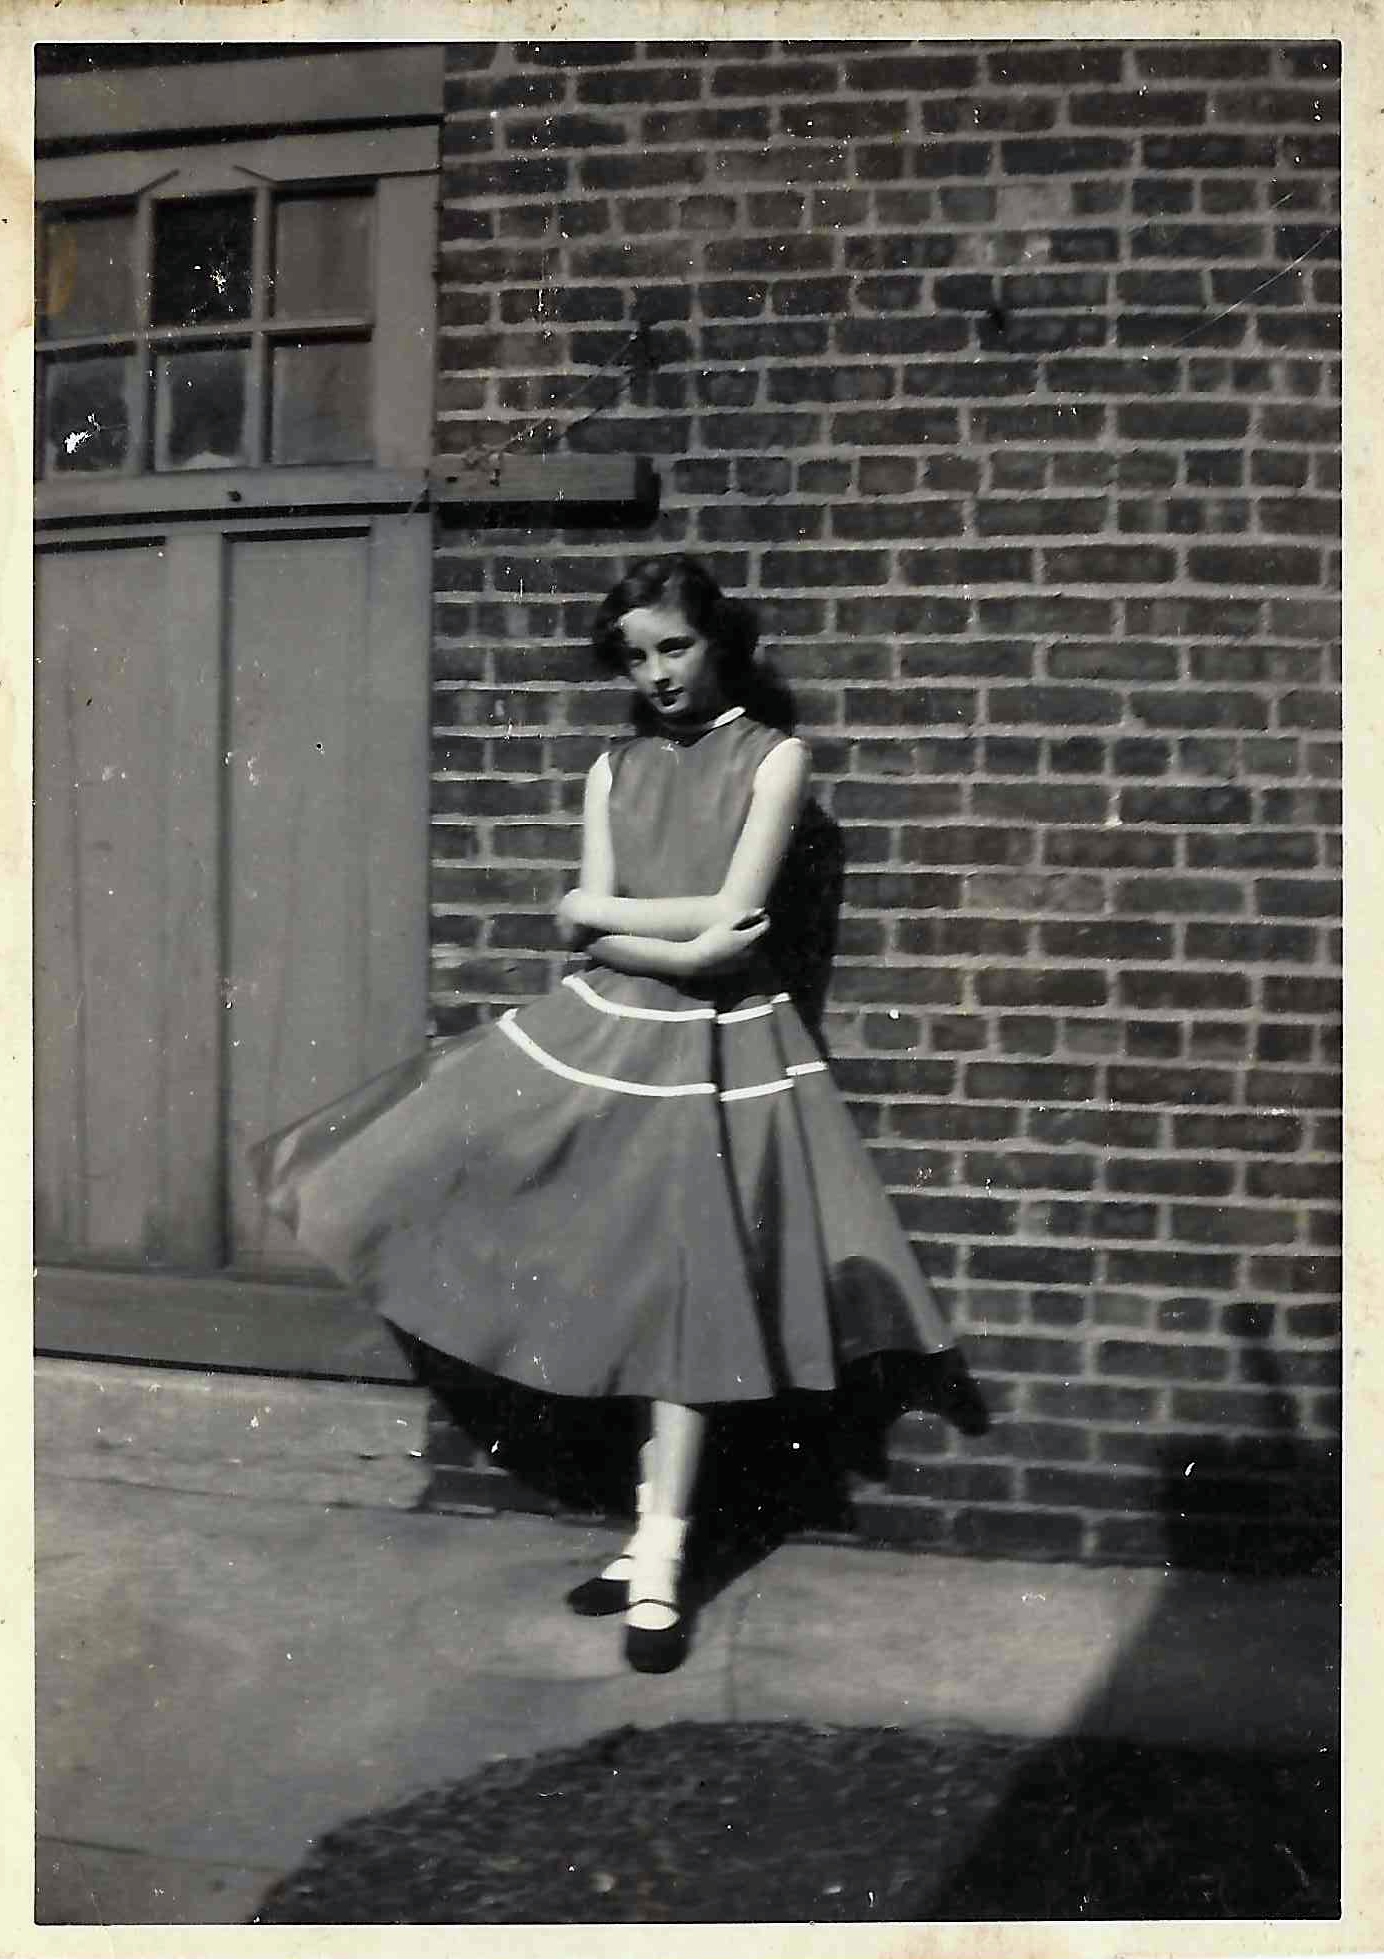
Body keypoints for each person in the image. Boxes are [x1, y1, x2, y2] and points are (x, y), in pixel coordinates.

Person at [252, 554, 958, 1675]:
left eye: (675, 646)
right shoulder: (612, 767)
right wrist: (657, 938)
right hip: (611, 1036)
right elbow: (615, 927)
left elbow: (729, 913)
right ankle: (649, 1539)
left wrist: (607, 920)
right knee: (599, 1257)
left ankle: (661, 1555)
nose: (658, 672)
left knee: (688, 1289)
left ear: (718, 642)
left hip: (722, 1050)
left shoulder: (774, 758)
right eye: (635, 656)